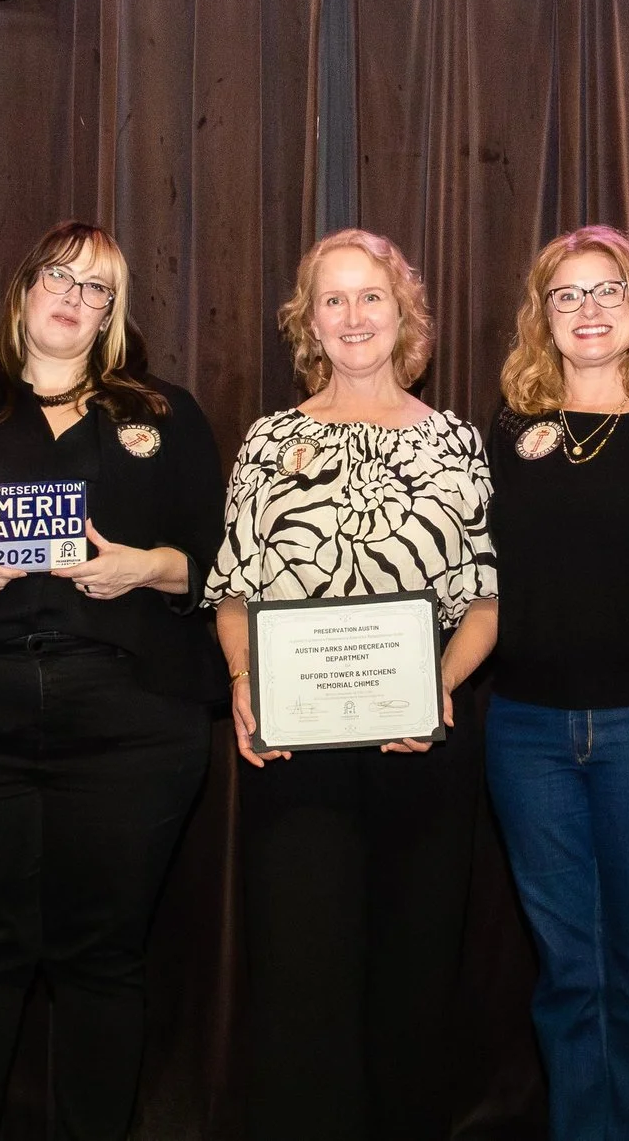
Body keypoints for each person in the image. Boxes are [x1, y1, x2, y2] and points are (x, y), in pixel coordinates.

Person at [0, 221, 225, 1141]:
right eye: (59, 278)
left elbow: (223, 564)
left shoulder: (166, 413)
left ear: (114, 315)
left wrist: (145, 567)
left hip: (131, 721)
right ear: (24, 290)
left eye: (99, 289)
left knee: (103, 958)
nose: (75, 298)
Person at [206, 228, 498, 1141]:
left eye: (370, 295)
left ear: (403, 310)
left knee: (413, 981)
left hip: (422, 748)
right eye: (332, 299)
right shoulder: (269, 439)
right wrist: (245, 683)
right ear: (309, 321)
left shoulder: (456, 439)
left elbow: (484, 603)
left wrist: (438, 687)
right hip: (295, 752)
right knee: (303, 982)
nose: (353, 316)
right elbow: (232, 590)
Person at [483, 226, 629, 1141]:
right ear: (542, 316)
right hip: (526, 732)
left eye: (606, 289)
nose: (587, 308)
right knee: (568, 973)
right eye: (566, 293)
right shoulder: (505, 430)